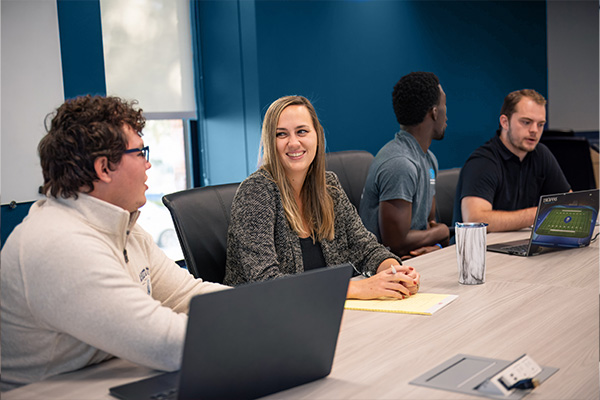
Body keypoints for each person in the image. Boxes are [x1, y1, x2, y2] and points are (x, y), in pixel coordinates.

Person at [0, 95, 227, 391]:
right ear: (104, 168)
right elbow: (168, 344)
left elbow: (187, 295)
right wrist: (270, 329)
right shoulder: (57, 243)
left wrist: (260, 308)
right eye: (140, 153)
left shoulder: (123, 226)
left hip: (106, 382)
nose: (148, 165)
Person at [223, 95, 420, 299]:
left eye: (302, 131)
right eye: (281, 134)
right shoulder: (255, 192)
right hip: (262, 319)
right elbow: (266, 282)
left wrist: (394, 272)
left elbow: (365, 248)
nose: (293, 142)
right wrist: (356, 289)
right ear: (269, 142)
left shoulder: (329, 186)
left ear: (317, 135)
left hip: (323, 312)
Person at [360, 72, 450, 260]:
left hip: (415, 260)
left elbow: (427, 225)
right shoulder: (400, 164)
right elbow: (395, 243)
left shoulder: (429, 160)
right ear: (434, 111)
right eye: (444, 105)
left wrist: (437, 245)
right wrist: (442, 232)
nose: (446, 113)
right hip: (382, 270)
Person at [454, 89, 571, 232]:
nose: (534, 130)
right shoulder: (483, 161)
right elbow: (475, 220)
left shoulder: (541, 154)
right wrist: (539, 214)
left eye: (540, 124)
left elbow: (568, 203)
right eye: (526, 122)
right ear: (505, 122)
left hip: (518, 244)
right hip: (480, 249)